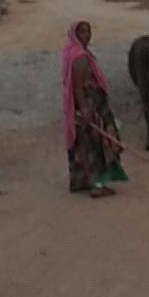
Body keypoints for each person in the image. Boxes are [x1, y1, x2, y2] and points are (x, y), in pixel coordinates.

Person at [61, 20, 128, 197]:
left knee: (83, 144)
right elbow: (78, 87)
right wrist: (85, 109)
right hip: (90, 105)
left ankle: (81, 180)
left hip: (85, 105)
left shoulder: (73, 53)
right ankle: (97, 185)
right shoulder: (80, 58)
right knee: (95, 145)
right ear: (75, 35)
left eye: (89, 31)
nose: (87, 36)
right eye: (82, 32)